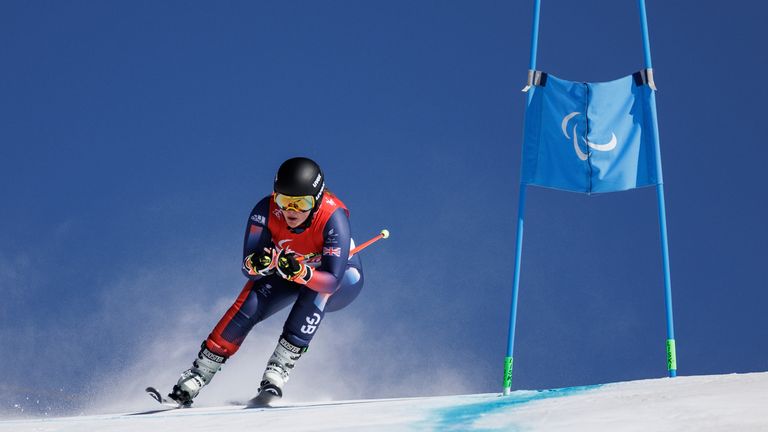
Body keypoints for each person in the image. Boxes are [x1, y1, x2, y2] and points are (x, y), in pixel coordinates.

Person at [168, 157, 364, 406]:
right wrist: (257, 263)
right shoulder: (265, 211)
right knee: (251, 301)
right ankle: (198, 374)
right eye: (284, 201)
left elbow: (332, 282)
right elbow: (248, 269)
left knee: (314, 292)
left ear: (316, 201)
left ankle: (279, 367)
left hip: (338, 278)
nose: (291, 211)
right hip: (289, 270)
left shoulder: (333, 217)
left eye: (301, 203)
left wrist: (303, 273)